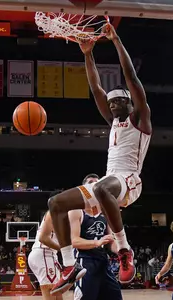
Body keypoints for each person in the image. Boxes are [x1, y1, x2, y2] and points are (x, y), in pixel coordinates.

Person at [48, 23, 152, 295]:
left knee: (103, 187)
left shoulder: (140, 120)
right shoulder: (113, 121)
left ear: (131, 104)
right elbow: (95, 87)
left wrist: (116, 40)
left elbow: (131, 78)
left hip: (130, 180)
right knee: (56, 203)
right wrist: (87, 53)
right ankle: (70, 266)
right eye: (112, 101)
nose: (114, 104)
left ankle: (124, 249)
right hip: (108, 182)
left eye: (120, 101)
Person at [28, 174, 100, 300]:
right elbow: (43, 239)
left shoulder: (64, 216)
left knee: (57, 292)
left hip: (49, 255)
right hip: (43, 253)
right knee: (50, 292)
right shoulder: (52, 213)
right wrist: (63, 249)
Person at [70, 177, 122, 300]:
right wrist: (97, 242)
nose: (94, 185)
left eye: (97, 183)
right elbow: (74, 241)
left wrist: (122, 251)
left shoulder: (106, 212)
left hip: (103, 261)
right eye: (91, 183)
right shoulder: (76, 211)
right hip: (84, 261)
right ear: (84, 189)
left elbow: (111, 241)